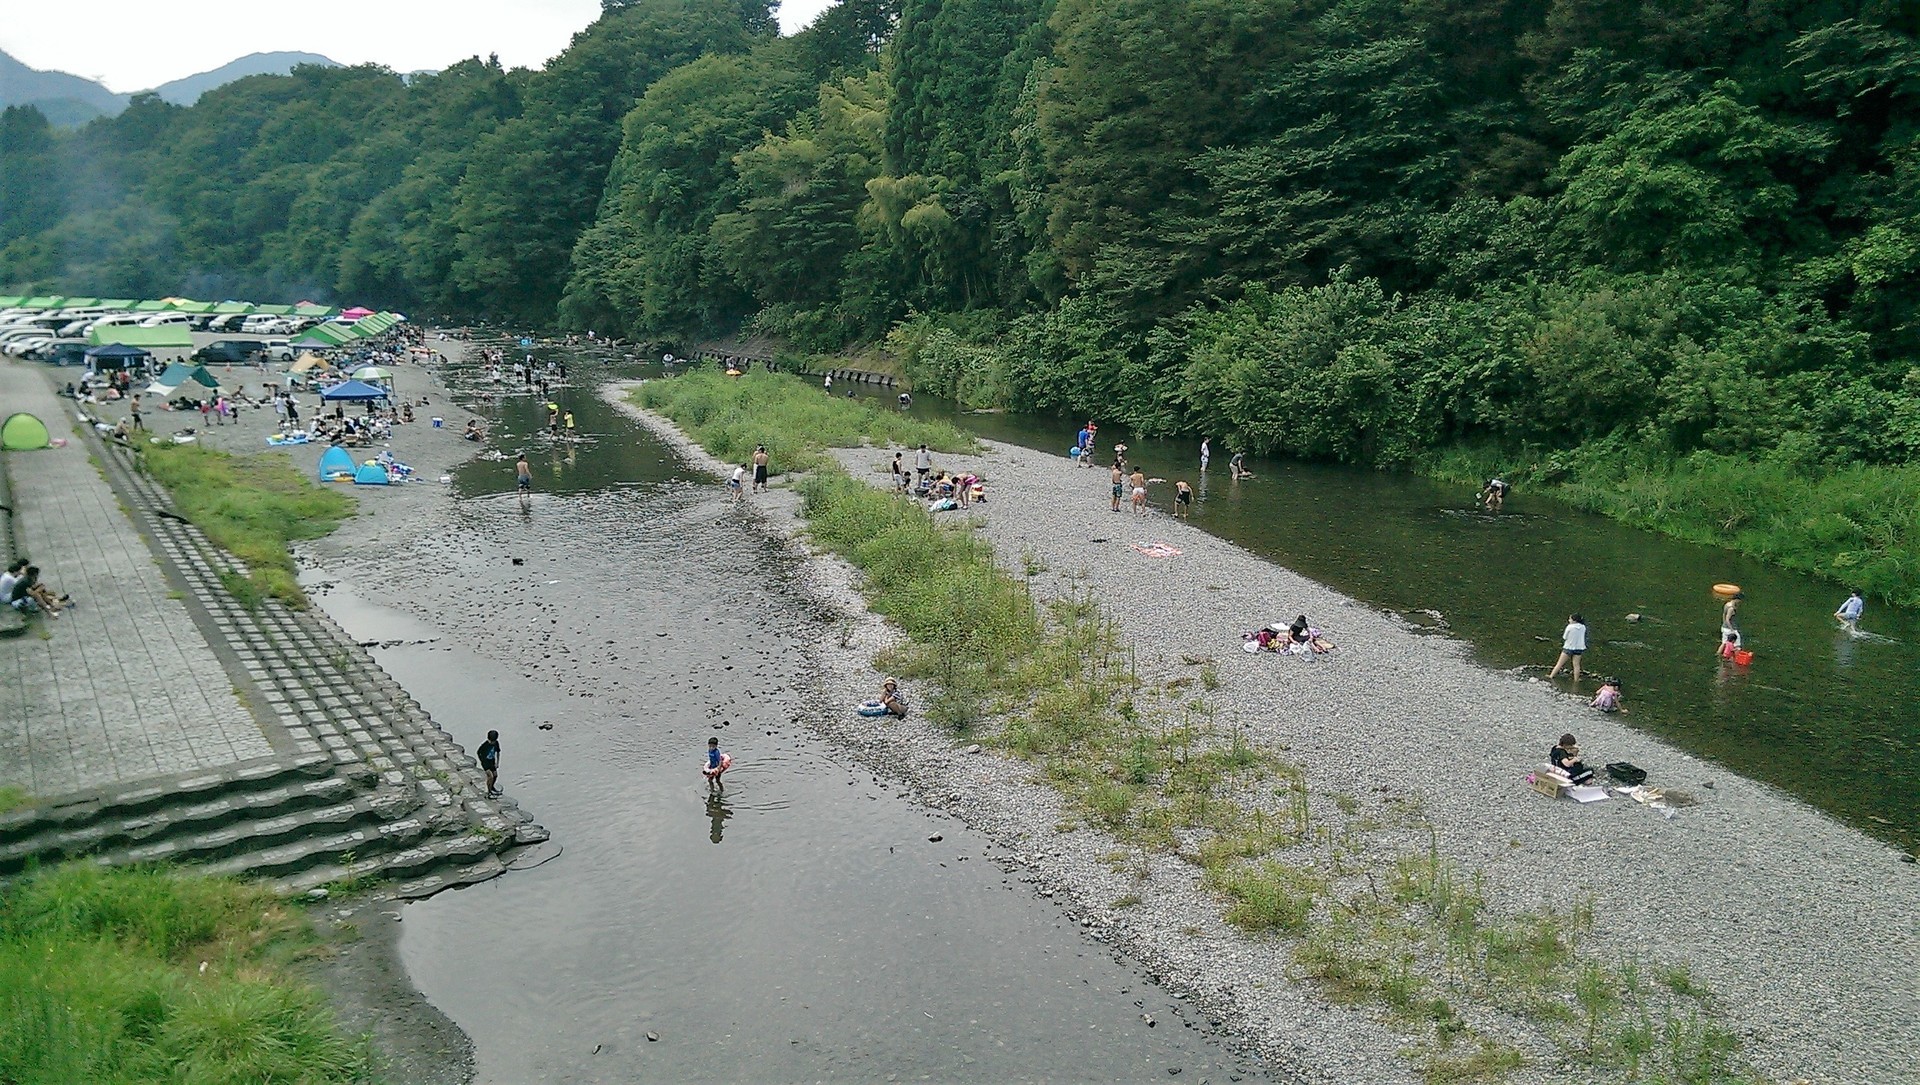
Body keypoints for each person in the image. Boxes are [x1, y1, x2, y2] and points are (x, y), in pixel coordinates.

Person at [1548, 613, 1588, 682]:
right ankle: (1576, 680)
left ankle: (1551, 676)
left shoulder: (1570, 627)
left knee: (1559, 663)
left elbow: (1564, 637)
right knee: (1576, 665)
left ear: (1574, 620)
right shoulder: (1583, 627)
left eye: (1570, 619)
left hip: (1568, 647)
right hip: (1579, 648)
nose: (1569, 620)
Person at [476, 730, 501, 796]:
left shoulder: (496, 743)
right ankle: (489, 791)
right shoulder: (485, 745)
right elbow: (478, 752)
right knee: (490, 776)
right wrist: (482, 760)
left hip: (492, 761)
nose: (492, 743)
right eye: (491, 741)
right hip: (485, 762)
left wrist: (497, 763)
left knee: (495, 775)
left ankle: (492, 786)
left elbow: (498, 752)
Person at [1720, 591, 1743, 658]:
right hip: (1730, 628)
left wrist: (1724, 624)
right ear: (1737, 599)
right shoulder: (1731, 608)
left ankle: (1718, 654)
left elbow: (1724, 614)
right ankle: (1737, 658)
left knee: (1724, 643)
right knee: (1737, 644)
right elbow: (1727, 619)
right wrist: (1732, 629)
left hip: (1724, 627)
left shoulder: (1727, 604)